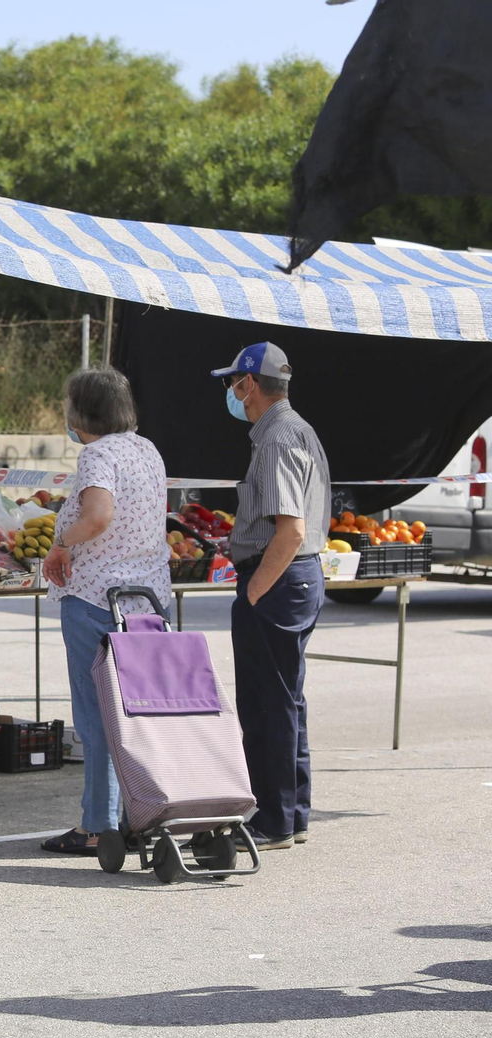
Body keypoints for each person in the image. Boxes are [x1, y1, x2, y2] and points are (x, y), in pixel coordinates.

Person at [39, 367, 171, 857]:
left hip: (97, 597)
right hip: (147, 599)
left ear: (82, 411)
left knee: (96, 717)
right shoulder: (146, 449)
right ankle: (139, 816)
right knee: (138, 713)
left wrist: (61, 547)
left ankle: (96, 825)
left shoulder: (96, 454)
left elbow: (98, 515)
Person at [213, 342, 331, 850]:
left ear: (250, 385)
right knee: (285, 701)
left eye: (232, 384)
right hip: (294, 577)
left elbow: (290, 529)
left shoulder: (280, 438)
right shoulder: (291, 429)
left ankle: (274, 822)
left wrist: (255, 590)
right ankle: (292, 813)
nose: (231, 394)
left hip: (279, 579)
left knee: (267, 704)